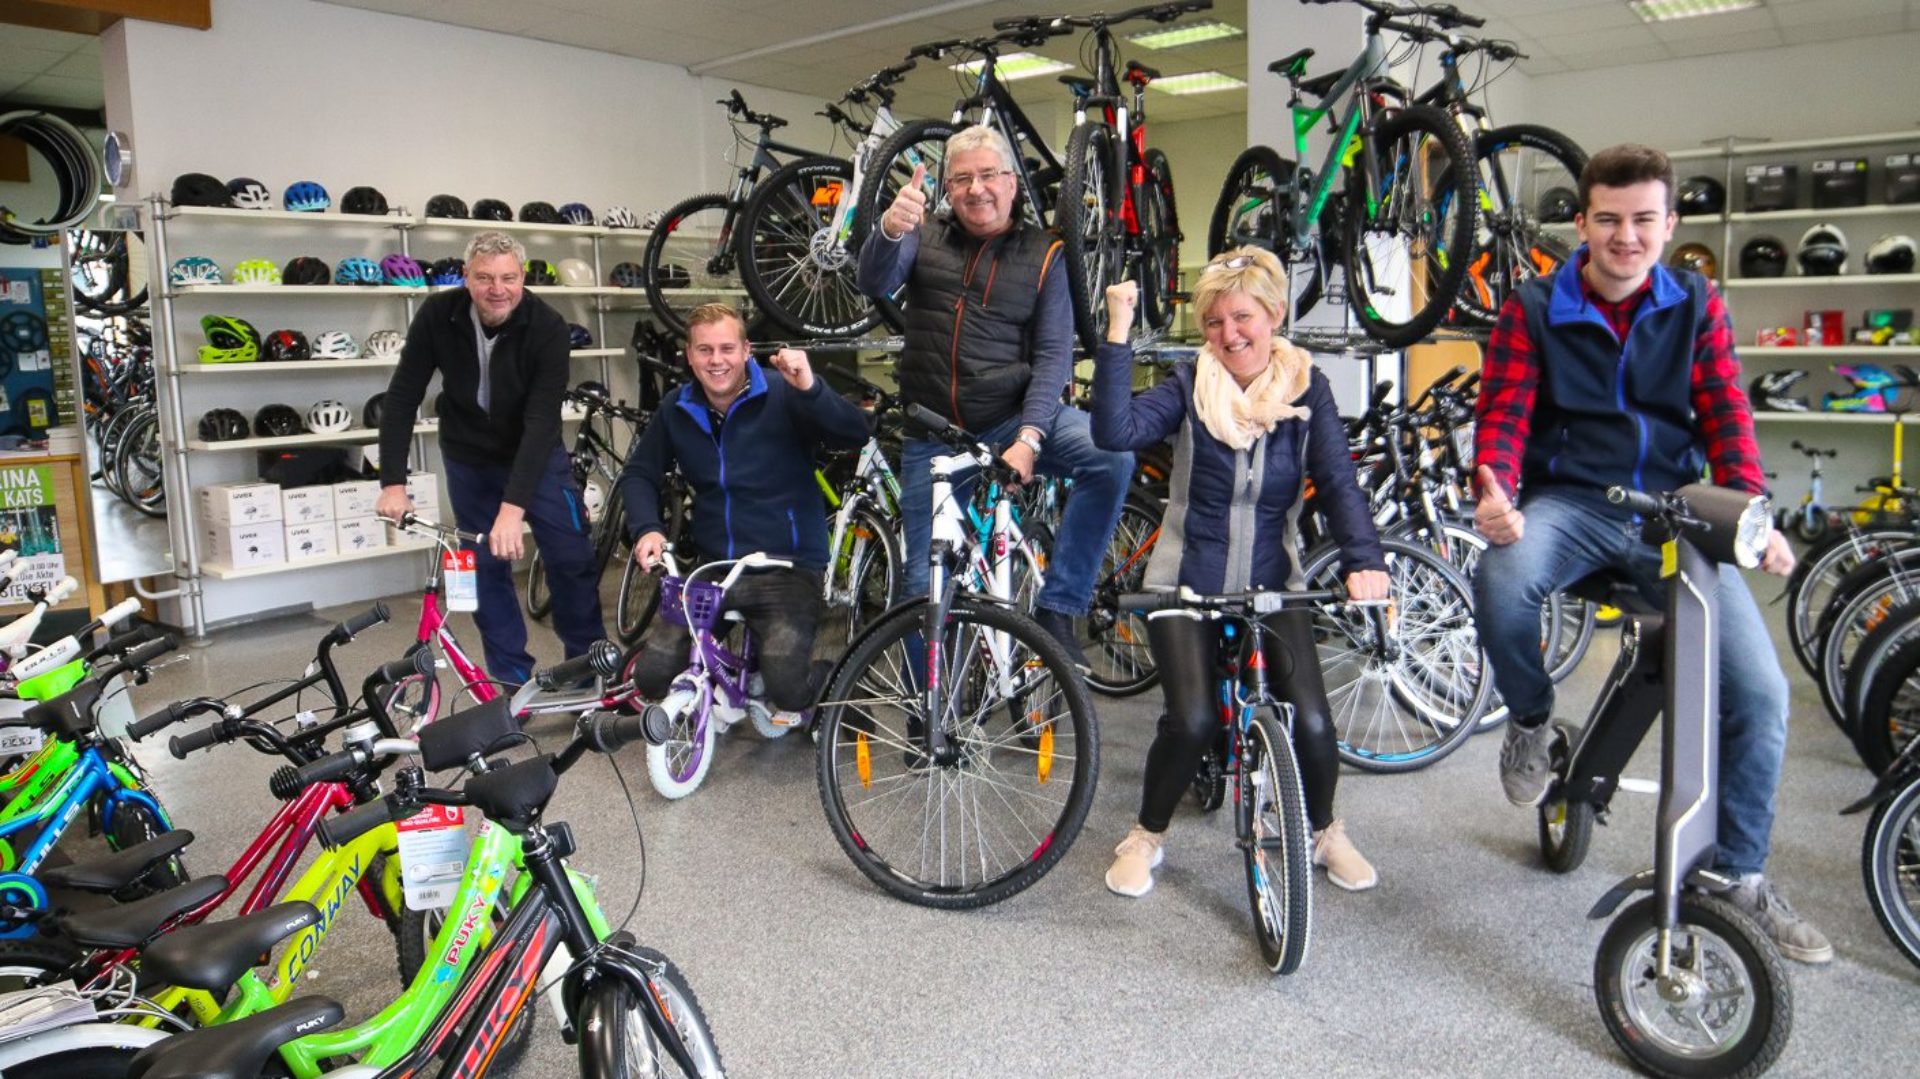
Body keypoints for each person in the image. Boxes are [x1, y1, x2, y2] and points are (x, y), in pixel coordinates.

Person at [1472, 143, 1830, 963]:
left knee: (1761, 695)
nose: (1625, 237)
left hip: (1675, 517)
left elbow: (1727, 416)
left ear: (1668, 225)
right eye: (1608, 219)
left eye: (1642, 220)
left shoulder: (1697, 304)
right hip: (1572, 504)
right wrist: (1493, 490)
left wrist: (1750, 517)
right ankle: (1532, 723)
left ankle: (1737, 874)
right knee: (1500, 580)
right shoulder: (1533, 305)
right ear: (1582, 223)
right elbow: (1505, 413)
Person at [1089, 249, 1390, 898]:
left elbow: (1338, 483)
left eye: (1244, 316)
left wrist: (1365, 560)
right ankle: (1145, 835)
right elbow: (1115, 432)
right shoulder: (1186, 384)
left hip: (1272, 581)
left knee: (1311, 720)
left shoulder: (1307, 389)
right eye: (1216, 321)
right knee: (1192, 720)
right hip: (1185, 582)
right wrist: (1118, 328)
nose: (1230, 334)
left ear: (1275, 314)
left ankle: (1325, 831)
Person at [855, 124, 1132, 668]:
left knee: (1110, 456)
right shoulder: (922, 233)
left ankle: (1059, 606)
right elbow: (871, 281)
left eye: (988, 175)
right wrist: (888, 229)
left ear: (1011, 182)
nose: (976, 189)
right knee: (922, 584)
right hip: (934, 436)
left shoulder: (1045, 253)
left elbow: (1055, 356)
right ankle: (928, 717)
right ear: (947, 189)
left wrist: (1030, 438)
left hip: (1010, 421)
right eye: (961, 179)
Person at [617, 303, 871, 722]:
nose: (717, 360)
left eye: (727, 348)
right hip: (714, 567)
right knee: (653, 674)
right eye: (705, 350)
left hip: (786, 567)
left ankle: (835, 677)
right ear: (689, 354)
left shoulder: (784, 392)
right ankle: (741, 672)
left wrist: (811, 387)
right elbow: (640, 473)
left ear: (746, 350)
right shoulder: (677, 408)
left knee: (788, 689)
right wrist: (647, 529)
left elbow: (855, 432)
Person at [375, 230, 604, 688]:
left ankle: (586, 670)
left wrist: (512, 509)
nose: (497, 289)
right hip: (468, 457)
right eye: (484, 278)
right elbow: (402, 397)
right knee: (482, 569)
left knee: (569, 556)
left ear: (522, 277)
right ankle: (510, 679)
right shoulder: (439, 315)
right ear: (466, 278)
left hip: (535, 455)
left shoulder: (547, 326)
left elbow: (541, 423)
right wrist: (392, 483)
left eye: (507, 278)